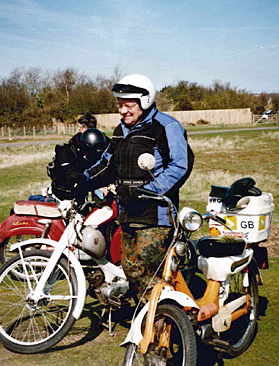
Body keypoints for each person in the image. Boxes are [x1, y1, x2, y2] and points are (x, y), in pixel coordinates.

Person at [78, 74, 194, 299]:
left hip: (154, 216)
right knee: (132, 273)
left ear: (145, 101)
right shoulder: (121, 131)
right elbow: (107, 164)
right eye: (119, 105)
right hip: (127, 213)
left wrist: (150, 190)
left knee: (147, 276)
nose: (122, 111)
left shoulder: (166, 127)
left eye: (127, 105)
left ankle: (166, 325)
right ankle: (150, 323)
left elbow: (180, 165)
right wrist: (81, 179)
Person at [47, 113, 109, 200]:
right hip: (82, 180)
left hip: (96, 179)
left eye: (80, 127)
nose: (79, 129)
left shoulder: (103, 141)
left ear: (85, 127)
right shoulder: (75, 142)